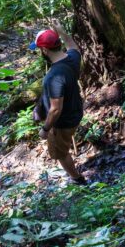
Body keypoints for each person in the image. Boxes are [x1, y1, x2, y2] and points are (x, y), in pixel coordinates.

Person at [29, 20, 86, 185]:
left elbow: (55, 109)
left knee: (60, 153)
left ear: (45, 50)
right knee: (64, 146)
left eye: (39, 49)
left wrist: (45, 129)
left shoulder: (53, 77)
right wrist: (61, 31)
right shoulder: (72, 59)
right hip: (75, 111)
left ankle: (77, 179)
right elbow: (74, 47)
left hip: (63, 123)